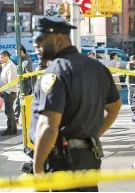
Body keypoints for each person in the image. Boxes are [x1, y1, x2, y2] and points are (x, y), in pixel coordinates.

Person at [29, 16, 122, 191]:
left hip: (62, 162)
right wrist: (90, 137)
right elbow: (114, 108)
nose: (36, 44)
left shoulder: (55, 72)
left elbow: (48, 125)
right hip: (88, 158)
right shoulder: (97, 68)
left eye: (40, 39)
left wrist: (38, 169)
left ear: (58, 38)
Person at [0, 50, 19, 136]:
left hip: (10, 91)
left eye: (2, 57)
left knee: (8, 111)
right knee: (10, 110)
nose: (1, 59)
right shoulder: (5, 65)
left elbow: (11, 81)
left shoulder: (11, 65)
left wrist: (4, 89)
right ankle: (13, 129)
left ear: (7, 56)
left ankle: (10, 129)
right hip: (7, 91)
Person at [14, 45, 33, 126]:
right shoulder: (21, 59)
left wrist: (21, 77)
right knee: (19, 102)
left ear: (22, 51)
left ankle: (18, 120)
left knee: (20, 102)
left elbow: (29, 73)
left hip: (25, 84)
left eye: (17, 53)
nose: (16, 55)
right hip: (20, 83)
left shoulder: (27, 60)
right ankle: (19, 120)